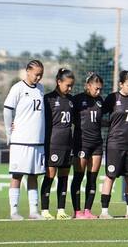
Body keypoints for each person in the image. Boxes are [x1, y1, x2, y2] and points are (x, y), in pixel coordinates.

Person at [3, 59, 46, 220]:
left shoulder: (41, 88)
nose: (38, 77)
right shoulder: (18, 88)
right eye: (36, 74)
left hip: (37, 141)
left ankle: (33, 211)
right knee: (17, 175)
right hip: (21, 141)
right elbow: (7, 110)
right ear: (28, 71)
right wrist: (8, 132)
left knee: (34, 176)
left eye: (41, 75)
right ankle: (14, 211)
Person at [99, 71, 128, 219]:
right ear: (121, 84)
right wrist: (108, 125)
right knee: (110, 176)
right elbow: (99, 114)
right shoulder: (113, 98)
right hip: (115, 143)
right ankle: (104, 212)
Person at [40, 68, 76, 220]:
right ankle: (45, 210)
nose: (70, 88)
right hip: (53, 144)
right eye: (67, 85)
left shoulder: (71, 101)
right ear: (58, 82)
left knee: (64, 177)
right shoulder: (48, 99)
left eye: (72, 86)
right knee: (50, 176)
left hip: (68, 144)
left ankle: (61, 210)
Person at [71, 72, 105, 219]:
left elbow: (99, 121)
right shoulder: (77, 99)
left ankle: (88, 210)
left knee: (92, 178)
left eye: (100, 89)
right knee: (78, 177)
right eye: (96, 88)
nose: (98, 91)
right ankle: (77, 211)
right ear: (88, 86)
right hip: (81, 144)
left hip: (97, 144)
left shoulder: (100, 101)